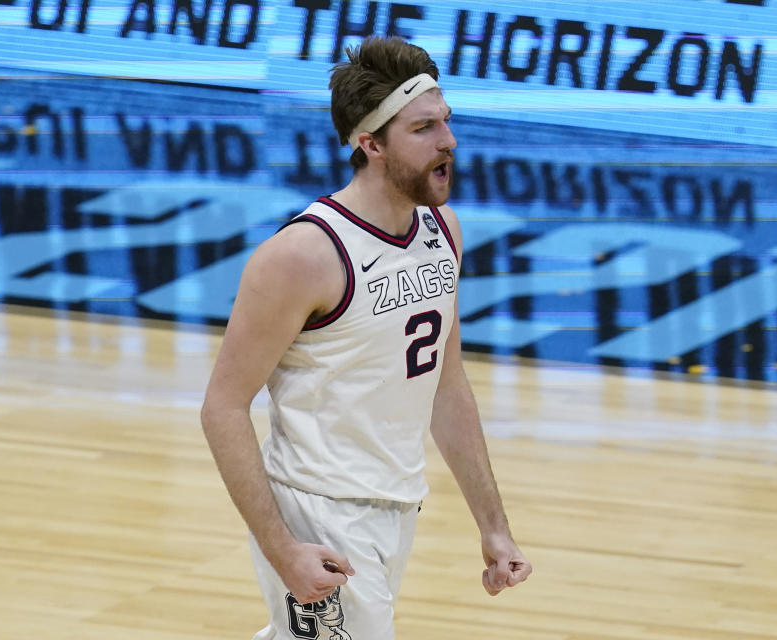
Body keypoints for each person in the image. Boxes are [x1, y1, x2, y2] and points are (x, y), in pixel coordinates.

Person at [200, 35, 532, 639]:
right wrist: (281, 548)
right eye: (424, 128)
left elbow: (446, 385)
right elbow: (222, 407)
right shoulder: (303, 255)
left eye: (446, 122)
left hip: (397, 505)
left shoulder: (442, 230)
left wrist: (493, 523)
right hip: (318, 512)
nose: (448, 141)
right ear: (370, 143)